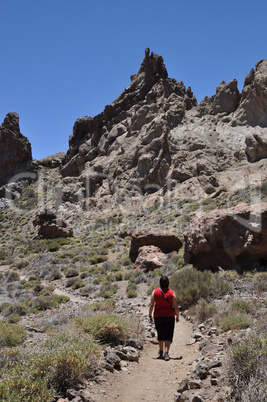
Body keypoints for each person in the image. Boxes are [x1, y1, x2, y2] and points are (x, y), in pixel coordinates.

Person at [148, 275, 179, 361]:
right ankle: (166, 353)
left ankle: (161, 351)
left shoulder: (155, 292)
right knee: (168, 335)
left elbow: (151, 304)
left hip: (158, 316)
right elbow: (175, 306)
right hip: (169, 316)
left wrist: (150, 315)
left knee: (160, 333)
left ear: (160, 283)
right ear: (168, 283)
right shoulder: (172, 293)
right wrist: (177, 316)